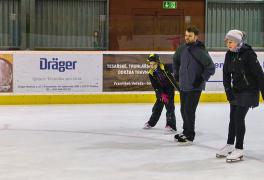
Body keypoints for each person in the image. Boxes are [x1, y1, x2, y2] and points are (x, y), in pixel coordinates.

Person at [216, 29, 264, 162]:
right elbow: (226, 74)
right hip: (236, 90)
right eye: (227, 42)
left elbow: (259, 75)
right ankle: (230, 145)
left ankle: (239, 149)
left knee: (238, 116)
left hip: (250, 91)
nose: (228, 44)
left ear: (238, 42)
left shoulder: (248, 54)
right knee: (233, 117)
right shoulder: (229, 55)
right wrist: (228, 90)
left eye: (230, 42)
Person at [172, 25, 215, 145]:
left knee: (189, 110)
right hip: (184, 85)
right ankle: (186, 131)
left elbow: (210, 68)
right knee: (183, 110)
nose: (187, 38)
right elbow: (175, 60)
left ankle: (190, 136)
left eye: (189, 36)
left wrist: (201, 78)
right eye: (186, 35)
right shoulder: (182, 48)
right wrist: (176, 74)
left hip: (195, 86)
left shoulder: (200, 50)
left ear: (196, 37)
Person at [143, 54, 179, 133]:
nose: (152, 66)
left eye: (154, 64)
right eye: (150, 64)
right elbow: (155, 86)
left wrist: (180, 89)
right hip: (161, 91)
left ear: (158, 63)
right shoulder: (151, 73)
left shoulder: (165, 67)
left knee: (169, 107)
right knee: (157, 108)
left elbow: (173, 78)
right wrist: (160, 94)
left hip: (169, 89)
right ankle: (151, 123)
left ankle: (171, 125)